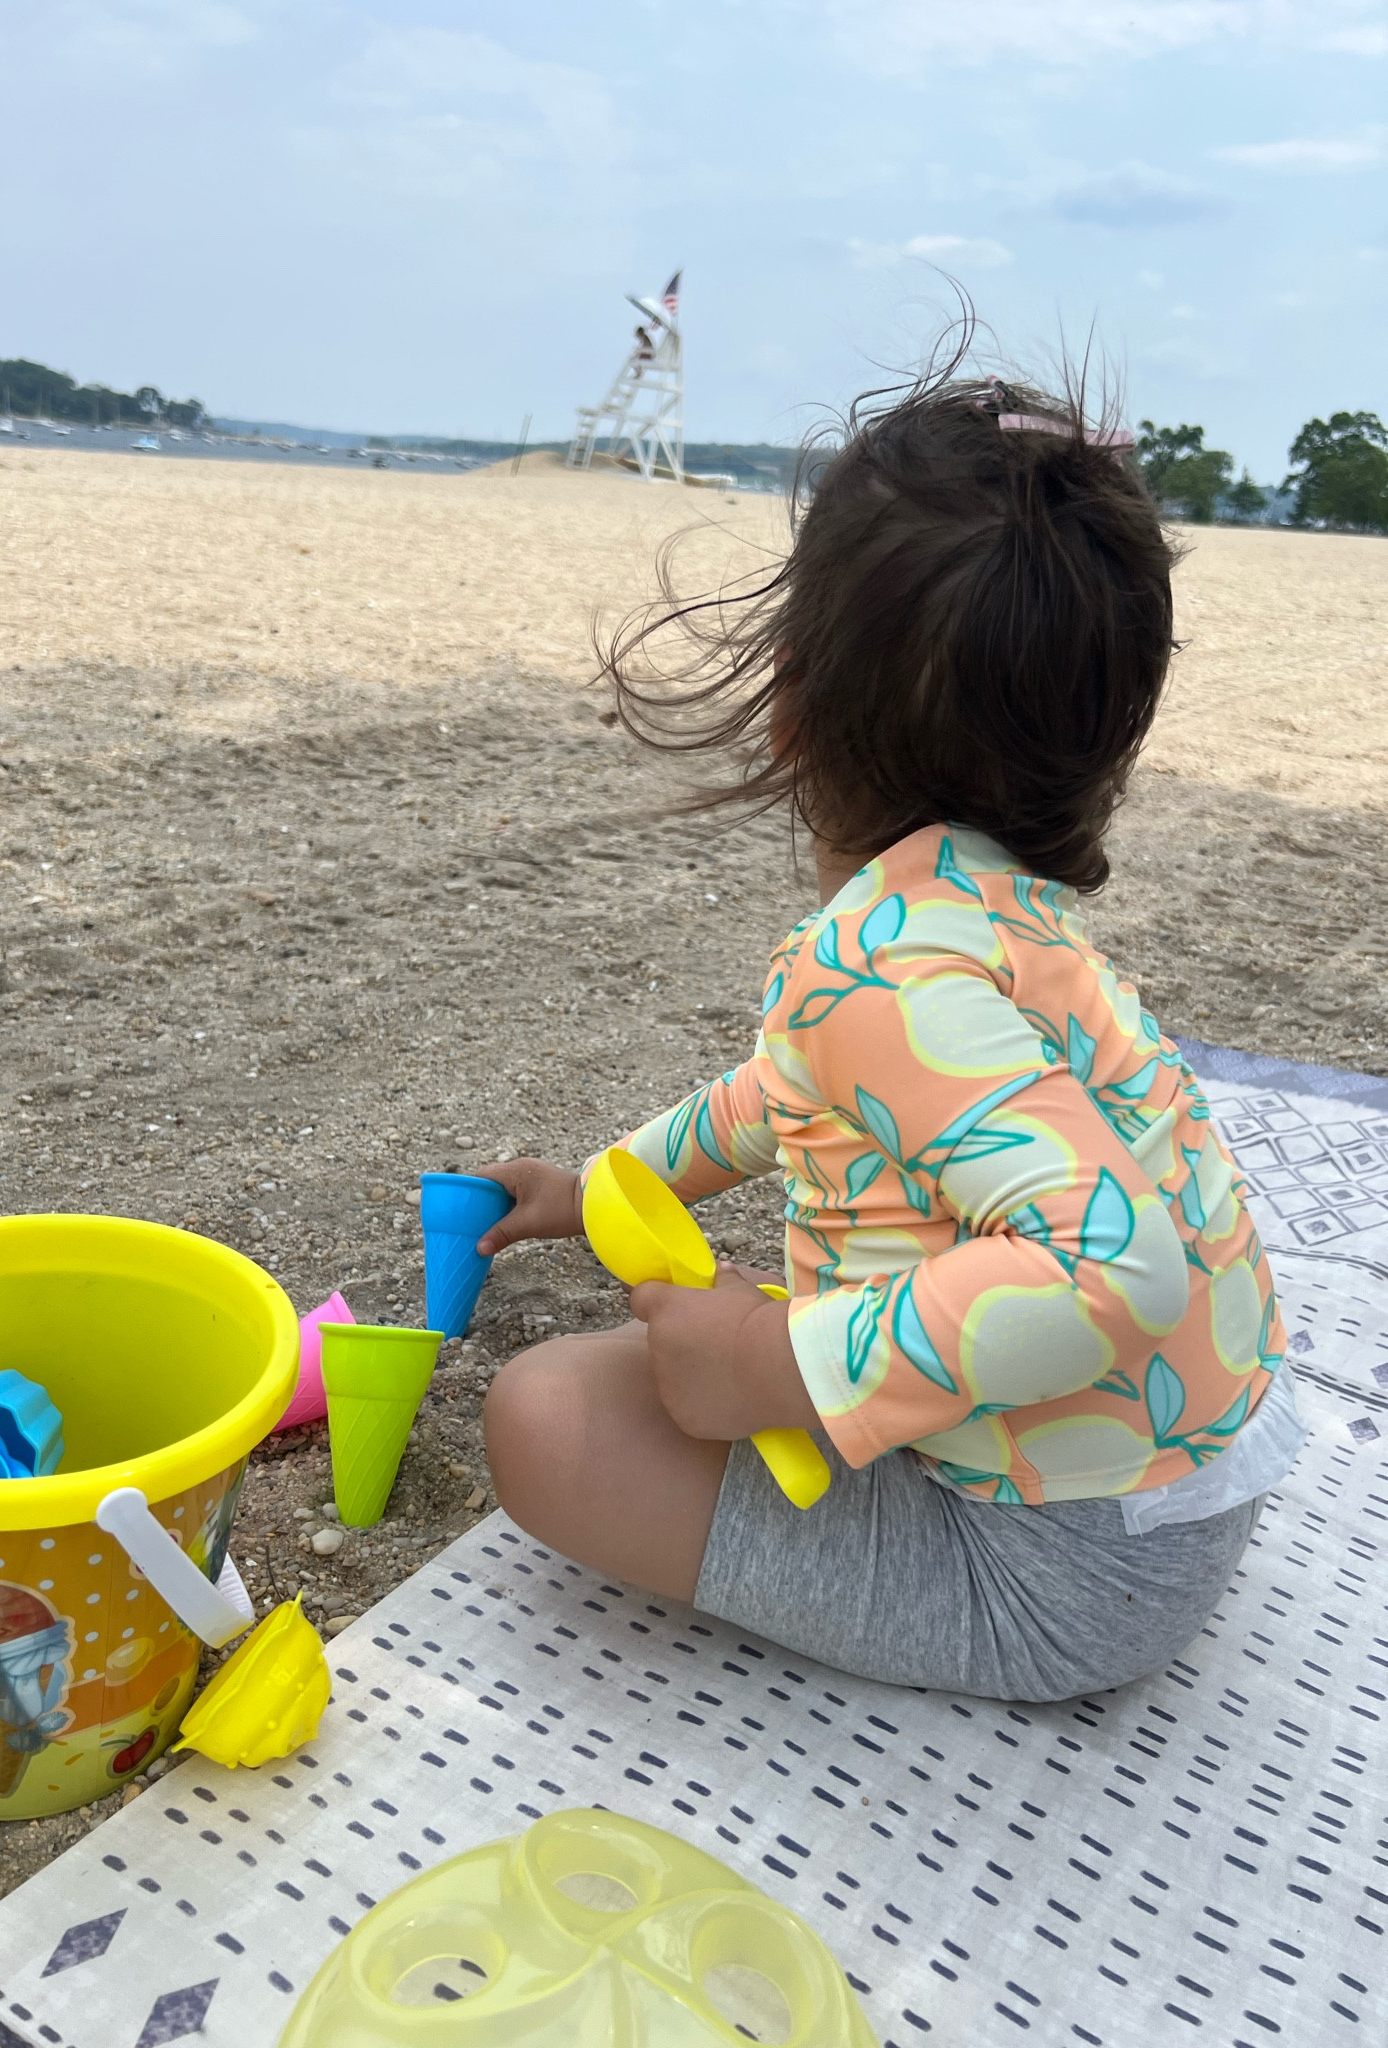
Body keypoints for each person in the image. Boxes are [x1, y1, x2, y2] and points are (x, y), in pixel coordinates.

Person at [475, 365, 1304, 1704]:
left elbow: (1114, 1270)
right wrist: (604, 1186)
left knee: (548, 1414)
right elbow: (781, 1097)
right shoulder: (994, 911)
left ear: (793, 701)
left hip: (1053, 1580)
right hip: (1169, 1503)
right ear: (1105, 741)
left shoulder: (872, 968)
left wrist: (776, 1364)